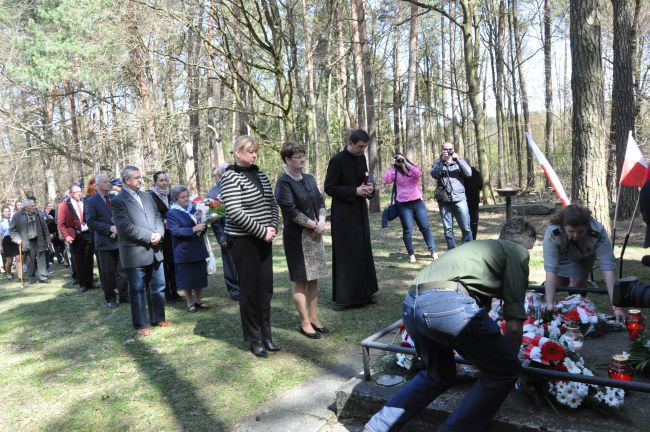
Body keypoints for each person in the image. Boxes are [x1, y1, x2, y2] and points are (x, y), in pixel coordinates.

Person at [363, 218, 537, 432]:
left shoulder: (479, 249)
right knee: (504, 371)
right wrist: (505, 360)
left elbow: (481, 307)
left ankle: (375, 428)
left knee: (438, 374)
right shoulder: (518, 252)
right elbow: (513, 323)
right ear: (527, 247)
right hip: (448, 303)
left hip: (411, 304)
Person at [220, 135, 279, 358]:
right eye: (250, 151)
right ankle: (254, 338)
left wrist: (272, 225)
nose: (254, 155)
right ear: (238, 152)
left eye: (256, 151)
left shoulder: (260, 174)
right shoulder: (230, 177)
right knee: (250, 291)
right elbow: (234, 211)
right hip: (243, 240)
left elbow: (272, 203)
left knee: (265, 289)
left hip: (264, 238)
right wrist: (261, 230)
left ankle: (267, 336)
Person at [275, 141, 329, 339]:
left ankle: (314, 318)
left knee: (314, 278)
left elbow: (320, 201)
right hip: (297, 237)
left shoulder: (309, 178)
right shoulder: (283, 183)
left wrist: (321, 221)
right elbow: (291, 211)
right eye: (297, 157)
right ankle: (304, 322)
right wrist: (314, 226)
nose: (302, 160)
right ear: (287, 159)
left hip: (316, 233)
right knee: (300, 280)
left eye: (303, 156)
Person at [112, 165, 169, 336]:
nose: (140, 180)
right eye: (136, 177)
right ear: (127, 180)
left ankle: (158, 317)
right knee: (137, 290)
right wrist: (148, 236)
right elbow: (124, 227)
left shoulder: (147, 196)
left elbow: (158, 217)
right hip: (135, 252)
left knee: (158, 286)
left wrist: (159, 233)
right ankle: (140, 324)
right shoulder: (118, 200)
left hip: (155, 248)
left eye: (140, 177)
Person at [324, 129, 379, 306]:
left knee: (363, 251)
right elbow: (329, 187)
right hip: (343, 215)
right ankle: (348, 297)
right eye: (360, 146)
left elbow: (364, 178)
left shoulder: (361, 158)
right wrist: (354, 191)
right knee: (348, 254)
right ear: (351, 143)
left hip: (360, 211)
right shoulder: (337, 160)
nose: (363, 150)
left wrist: (370, 189)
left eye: (364, 147)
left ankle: (366, 293)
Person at [542, 204, 624, 322]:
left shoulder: (597, 231)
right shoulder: (553, 233)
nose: (575, 235)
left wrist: (617, 307)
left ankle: (578, 313)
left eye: (580, 231)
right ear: (564, 226)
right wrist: (550, 304)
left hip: (584, 254)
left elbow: (608, 268)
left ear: (587, 226)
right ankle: (545, 301)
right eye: (571, 231)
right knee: (559, 282)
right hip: (561, 254)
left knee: (578, 283)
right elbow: (551, 269)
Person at [383, 153, 438, 264]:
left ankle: (433, 252)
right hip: (403, 205)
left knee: (425, 227)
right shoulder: (395, 172)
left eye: (400, 158)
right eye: (397, 159)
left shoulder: (413, 168)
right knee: (407, 229)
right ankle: (411, 254)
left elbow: (419, 174)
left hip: (417, 202)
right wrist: (390, 166)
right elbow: (386, 180)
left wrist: (406, 164)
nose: (399, 161)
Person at [85, 174, 128, 308]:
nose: (108, 184)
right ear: (97, 185)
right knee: (107, 272)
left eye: (109, 181)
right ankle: (110, 299)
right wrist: (109, 228)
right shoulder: (91, 201)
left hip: (119, 242)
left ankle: (124, 295)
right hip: (104, 243)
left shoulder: (115, 198)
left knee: (122, 271)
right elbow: (90, 222)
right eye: (105, 182)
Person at [166, 185, 209, 313]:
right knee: (187, 279)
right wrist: (193, 229)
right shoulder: (172, 212)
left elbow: (201, 225)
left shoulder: (194, 209)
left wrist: (204, 225)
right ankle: (190, 302)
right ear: (175, 199)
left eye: (187, 196)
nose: (186, 199)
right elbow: (175, 231)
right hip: (184, 251)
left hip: (198, 247)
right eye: (182, 197)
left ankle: (199, 301)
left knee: (200, 277)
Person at [430, 142, 473, 249]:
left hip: (459, 199)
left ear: (453, 149)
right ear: (442, 150)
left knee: (466, 227)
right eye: (445, 149)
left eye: (450, 149)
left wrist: (458, 159)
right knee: (448, 230)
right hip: (444, 201)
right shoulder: (438, 163)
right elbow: (434, 174)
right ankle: (452, 252)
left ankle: (469, 250)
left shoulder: (459, 161)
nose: (448, 151)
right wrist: (441, 161)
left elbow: (469, 173)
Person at [208, 163, 240, 301]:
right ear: (222, 174)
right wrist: (221, 238)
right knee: (230, 263)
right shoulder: (215, 194)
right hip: (227, 234)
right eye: (229, 171)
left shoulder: (238, 186)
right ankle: (235, 290)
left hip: (244, 232)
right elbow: (215, 220)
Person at [149, 171, 182, 302]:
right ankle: (166, 293)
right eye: (161, 180)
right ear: (155, 182)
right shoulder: (150, 196)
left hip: (173, 233)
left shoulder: (172, 195)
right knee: (163, 263)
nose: (164, 183)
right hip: (160, 234)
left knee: (173, 263)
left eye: (165, 180)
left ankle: (175, 291)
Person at [58, 184, 95, 292]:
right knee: (79, 260)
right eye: (76, 192)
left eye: (80, 191)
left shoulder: (85, 201)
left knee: (89, 259)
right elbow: (61, 223)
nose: (79, 194)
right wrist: (66, 236)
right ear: (70, 194)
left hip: (87, 233)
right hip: (75, 235)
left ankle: (90, 282)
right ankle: (82, 283)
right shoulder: (64, 205)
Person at [9, 199, 52, 284]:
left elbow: (45, 228)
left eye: (34, 205)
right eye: (32, 206)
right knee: (29, 260)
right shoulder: (17, 215)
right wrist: (17, 238)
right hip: (26, 241)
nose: (34, 207)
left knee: (41, 258)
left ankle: (43, 276)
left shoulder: (38, 214)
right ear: (26, 208)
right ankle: (31, 277)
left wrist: (48, 240)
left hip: (39, 239)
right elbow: (12, 230)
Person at [465, 164, 483, 240]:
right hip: (473, 199)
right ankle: (473, 237)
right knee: (474, 220)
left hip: (467, 200)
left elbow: (480, 185)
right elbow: (480, 186)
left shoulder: (463, 173)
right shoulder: (477, 173)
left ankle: (469, 237)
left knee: (468, 220)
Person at [1, 205, 18, 279]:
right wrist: (0, 246)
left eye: (9, 211)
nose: (8, 213)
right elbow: (0, 236)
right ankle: (8, 272)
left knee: (18, 258)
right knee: (9, 260)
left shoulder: (14, 220)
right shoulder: (1, 223)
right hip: (7, 241)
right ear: (2, 213)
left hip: (15, 239)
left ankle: (20, 274)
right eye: (6, 212)